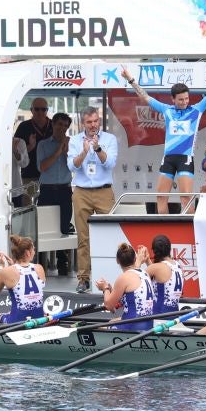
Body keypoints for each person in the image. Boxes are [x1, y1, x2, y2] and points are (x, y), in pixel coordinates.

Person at [120, 66, 206, 213]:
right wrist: (130, 80)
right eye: (180, 99)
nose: (184, 102)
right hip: (168, 158)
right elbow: (145, 97)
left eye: (186, 98)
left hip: (185, 159)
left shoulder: (196, 110)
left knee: (186, 198)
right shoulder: (167, 110)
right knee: (161, 197)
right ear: (173, 99)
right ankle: (165, 231)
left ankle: (191, 233)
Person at [68, 106, 118, 293]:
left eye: (96, 121)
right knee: (83, 237)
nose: (93, 125)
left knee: (109, 234)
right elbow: (71, 166)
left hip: (104, 191)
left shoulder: (109, 139)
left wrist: (96, 148)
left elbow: (110, 163)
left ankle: (112, 274)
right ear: (83, 123)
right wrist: (83, 152)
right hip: (81, 191)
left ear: (100, 121)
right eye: (89, 122)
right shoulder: (74, 140)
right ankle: (83, 279)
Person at [0, 235, 46, 324]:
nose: (34, 252)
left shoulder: (6, 271)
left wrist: (1, 266)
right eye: (33, 249)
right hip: (39, 319)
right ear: (27, 253)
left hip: (16, 321)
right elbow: (24, 275)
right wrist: (13, 265)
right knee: (5, 313)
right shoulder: (39, 268)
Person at [37, 112, 73, 275]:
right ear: (53, 125)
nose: (62, 129)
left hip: (65, 189)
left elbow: (74, 168)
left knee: (64, 227)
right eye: (59, 124)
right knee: (44, 227)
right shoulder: (43, 145)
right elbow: (42, 167)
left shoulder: (72, 144)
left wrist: (66, 151)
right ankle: (42, 263)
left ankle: (62, 261)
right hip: (47, 189)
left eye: (66, 126)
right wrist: (59, 150)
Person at [94, 243, 155, 331]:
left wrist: (105, 288)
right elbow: (131, 299)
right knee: (112, 321)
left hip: (133, 325)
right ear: (135, 259)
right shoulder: (144, 272)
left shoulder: (123, 278)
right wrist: (112, 291)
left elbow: (109, 305)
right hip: (148, 323)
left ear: (117, 261)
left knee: (98, 328)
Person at [14, 97, 53, 205]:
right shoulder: (23, 127)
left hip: (50, 176)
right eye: (37, 109)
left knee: (49, 208)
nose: (40, 112)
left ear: (47, 110)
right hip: (29, 175)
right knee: (28, 207)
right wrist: (30, 146)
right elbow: (16, 151)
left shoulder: (54, 125)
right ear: (31, 110)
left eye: (43, 109)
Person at [144, 234, 184, 315]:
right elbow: (160, 275)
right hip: (174, 314)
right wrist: (148, 260)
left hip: (157, 315)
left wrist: (139, 260)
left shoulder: (156, 267)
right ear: (170, 248)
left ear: (154, 251)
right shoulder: (179, 266)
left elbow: (134, 280)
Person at [10, 137, 29, 208]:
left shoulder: (20, 142)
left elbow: (25, 164)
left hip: (15, 189)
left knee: (17, 217)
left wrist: (15, 151)